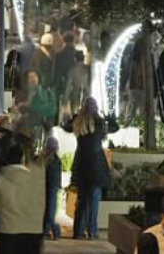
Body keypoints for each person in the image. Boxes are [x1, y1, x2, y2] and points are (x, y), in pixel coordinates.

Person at [0, 142, 44, 254]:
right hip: (31, 229)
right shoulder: (32, 178)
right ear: (22, 158)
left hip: (8, 228)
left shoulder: (0, 178)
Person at [69, 97, 112, 240]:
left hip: (81, 165)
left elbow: (66, 125)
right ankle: (92, 231)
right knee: (94, 200)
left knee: (81, 200)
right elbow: (115, 127)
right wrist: (109, 117)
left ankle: (78, 231)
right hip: (96, 166)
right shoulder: (99, 122)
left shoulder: (78, 122)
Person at [42, 136, 62, 240]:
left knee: (49, 212)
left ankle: (55, 231)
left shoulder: (49, 160)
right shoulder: (54, 160)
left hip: (51, 187)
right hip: (51, 187)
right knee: (48, 211)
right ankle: (45, 232)